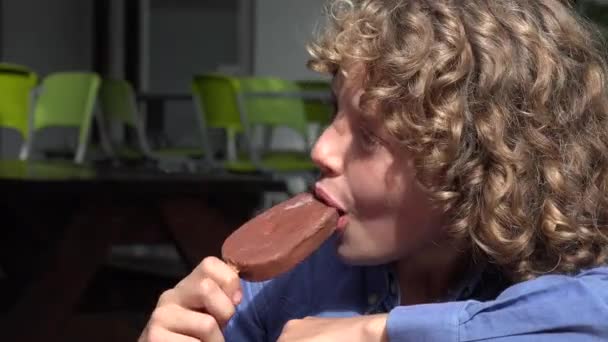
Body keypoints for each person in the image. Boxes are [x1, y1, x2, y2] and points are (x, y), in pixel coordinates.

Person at [139, 0, 608, 341]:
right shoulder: (295, 279)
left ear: (480, 164)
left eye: (369, 136)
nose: (320, 148)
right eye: (333, 111)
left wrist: (378, 332)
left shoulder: (561, 277)